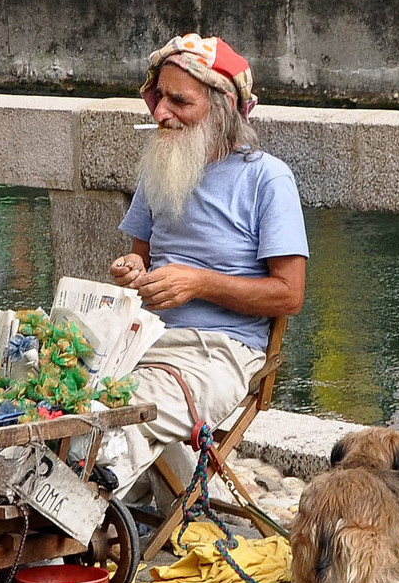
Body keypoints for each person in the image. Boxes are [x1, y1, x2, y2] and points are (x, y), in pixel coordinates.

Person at [106, 34, 308, 503]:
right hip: (144, 336)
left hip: (221, 349)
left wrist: (197, 283)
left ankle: (56, 541)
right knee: (54, 390)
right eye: (158, 97)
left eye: (179, 101)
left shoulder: (266, 177)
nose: (160, 113)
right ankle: (175, 496)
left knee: (120, 417)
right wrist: (133, 267)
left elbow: (289, 295)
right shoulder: (159, 163)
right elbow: (143, 257)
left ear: (221, 110)